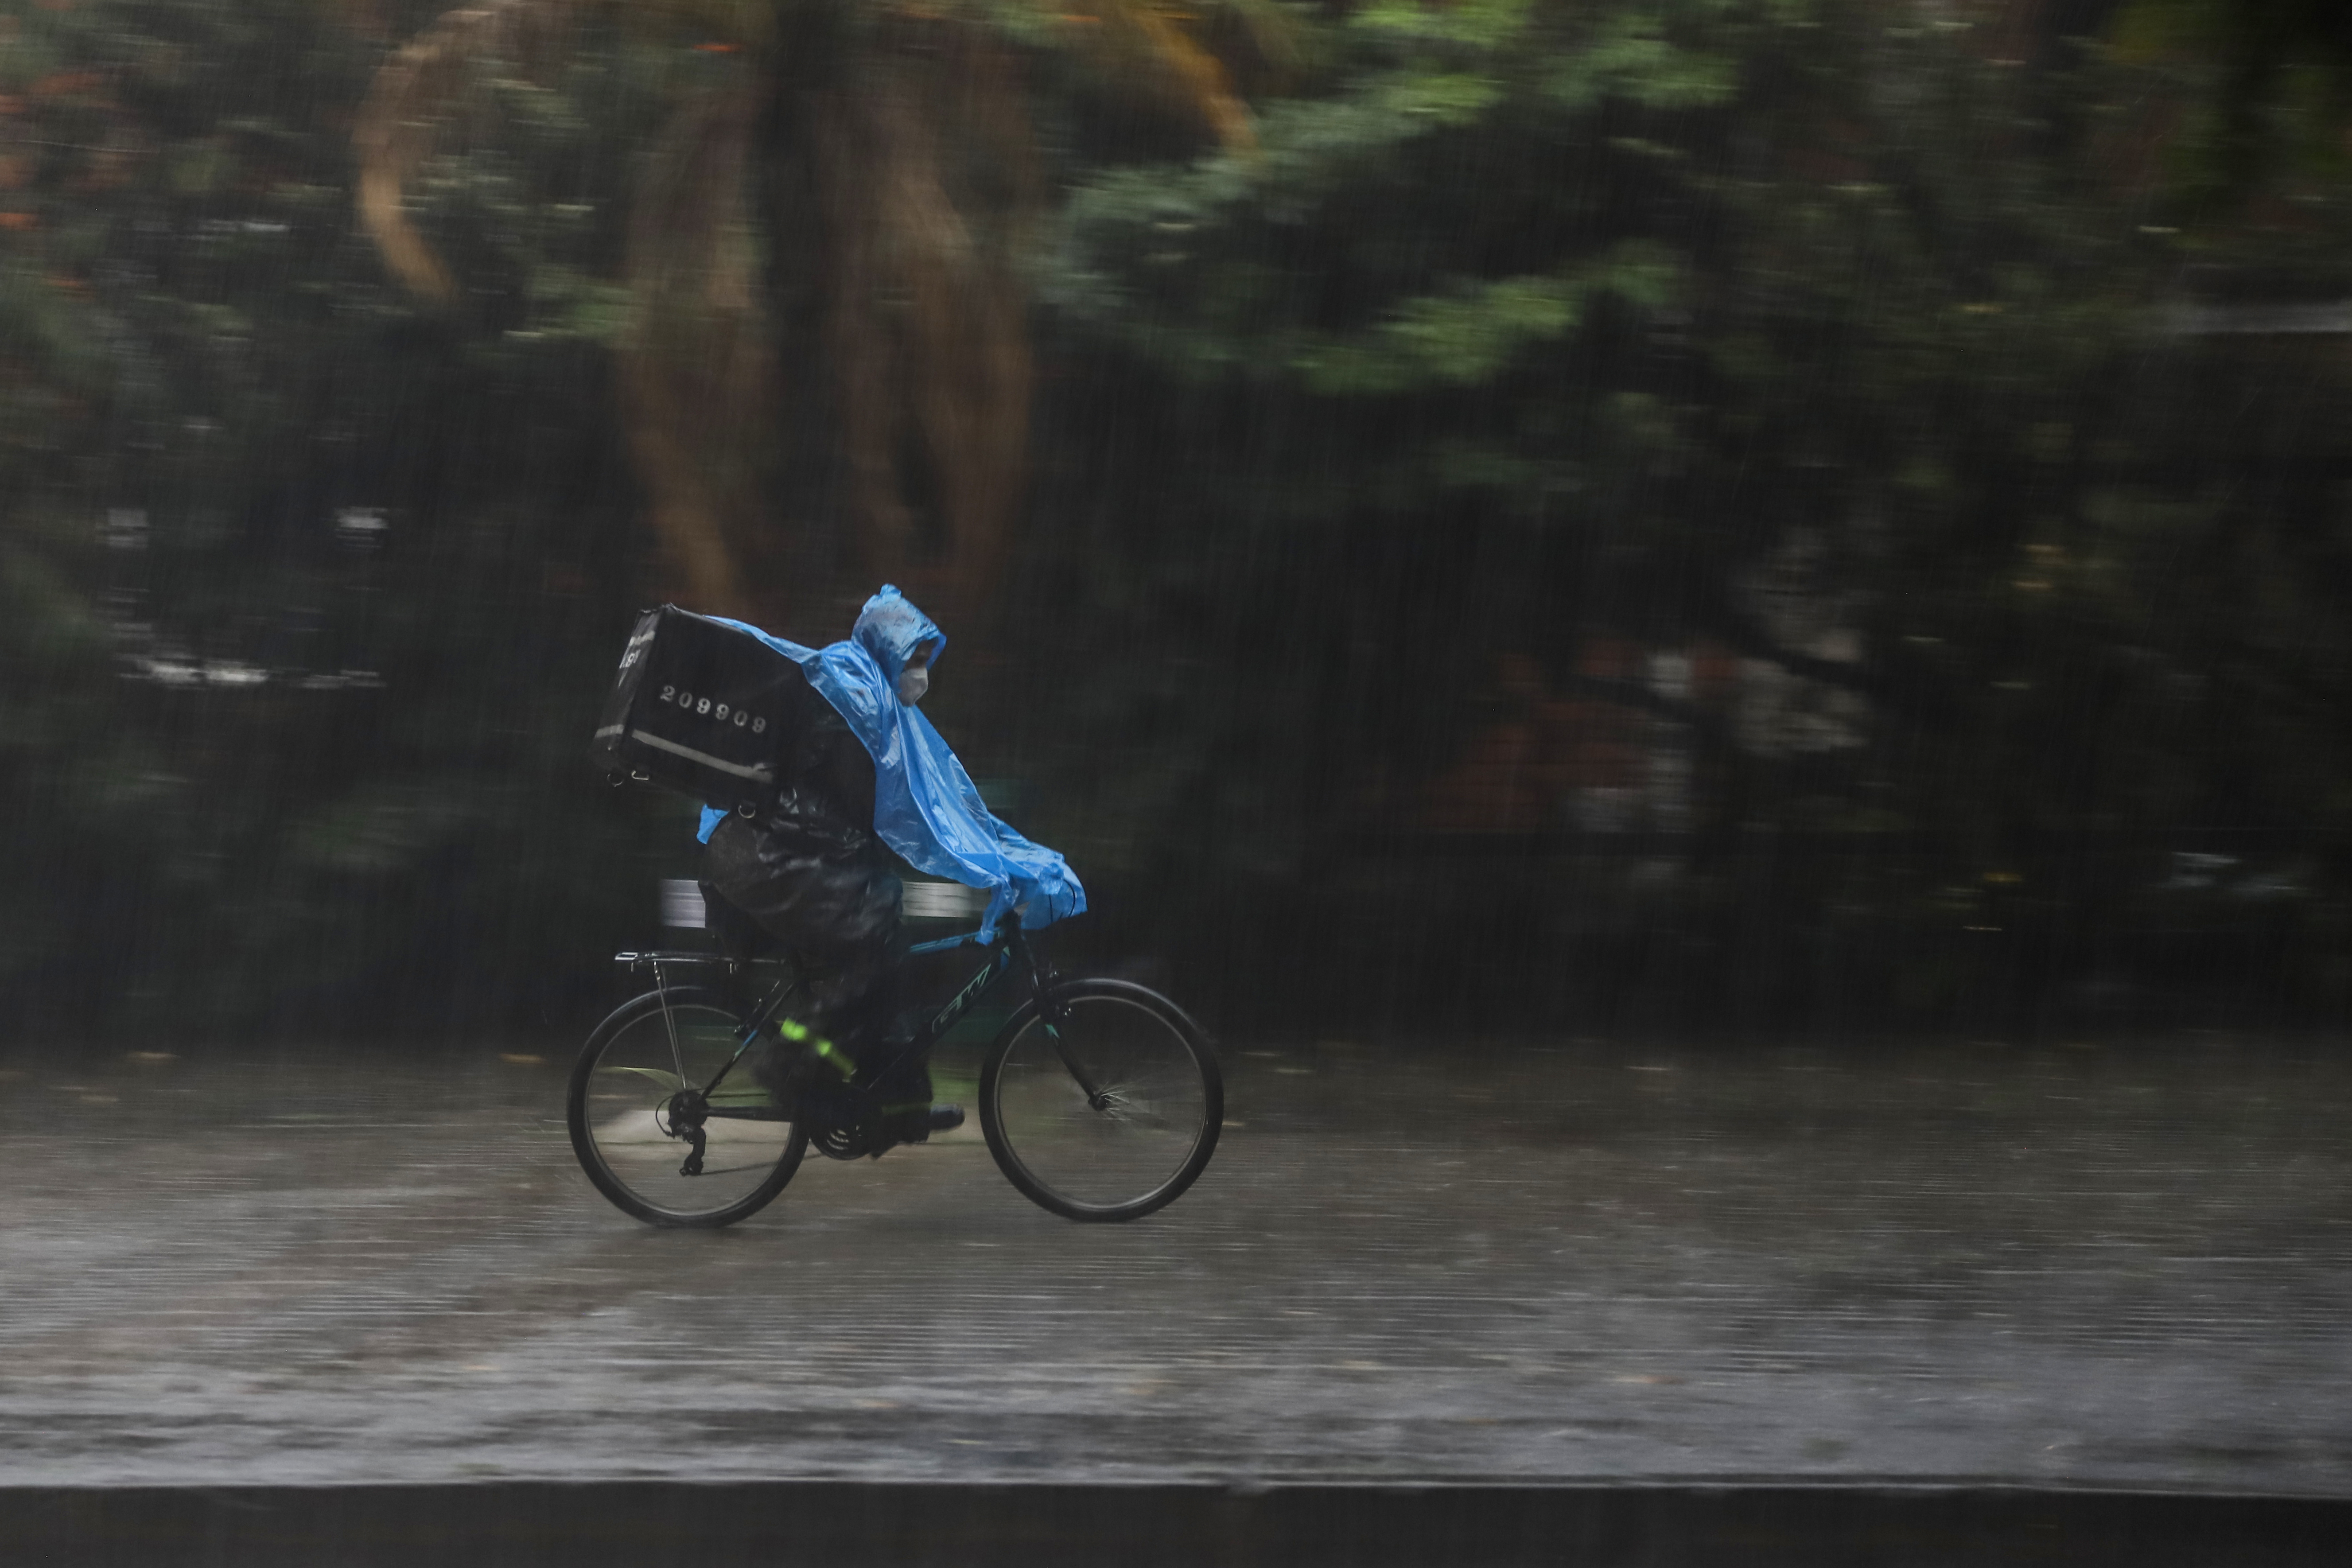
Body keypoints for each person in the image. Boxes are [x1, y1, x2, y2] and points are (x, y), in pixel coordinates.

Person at [693, 587, 1085, 1149]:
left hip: (788, 853)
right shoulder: (851, 693)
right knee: (872, 930)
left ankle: (898, 1102)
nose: (921, 673)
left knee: (890, 949)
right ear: (888, 650)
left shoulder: (877, 700)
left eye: (926, 660)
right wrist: (1000, 867)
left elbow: (937, 805)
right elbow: (913, 815)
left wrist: (1009, 858)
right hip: (762, 856)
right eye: (914, 659)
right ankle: (792, 1065)